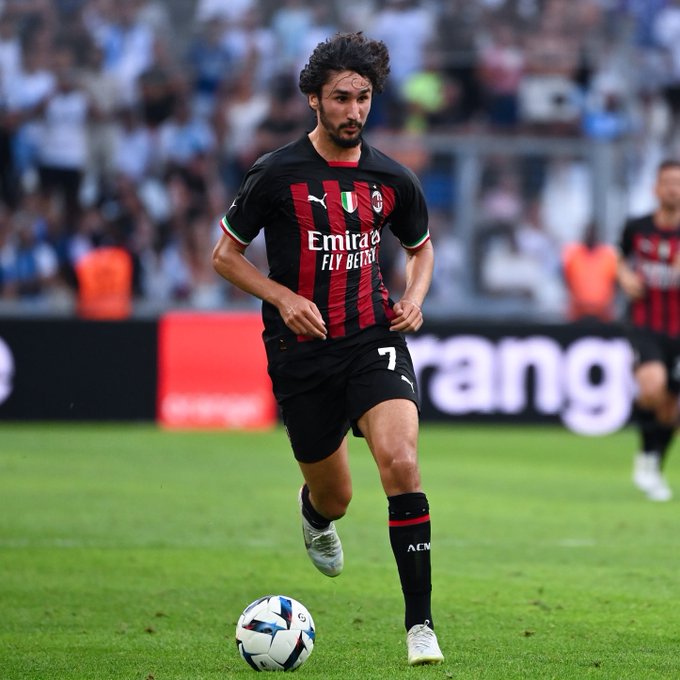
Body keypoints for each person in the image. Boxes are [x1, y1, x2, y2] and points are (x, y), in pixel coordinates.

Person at [212, 32, 443, 666]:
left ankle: (420, 626)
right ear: (314, 99)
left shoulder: (392, 177)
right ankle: (316, 515)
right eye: (341, 97)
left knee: (401, 463)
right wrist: (282, 297)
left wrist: (415, 296)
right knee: (336, 496)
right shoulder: (276, 173)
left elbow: (421, 247)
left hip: (373, 339)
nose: (354, 110)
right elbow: (225, 256)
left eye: (363, 98)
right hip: (302, 351)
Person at [617, 159, 680, 502]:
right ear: (656, 188)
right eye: (668, 182)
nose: (673, 189)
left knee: (671, 409)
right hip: (646, 324)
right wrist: (625, 277)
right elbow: (617, 257)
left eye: (678, 183)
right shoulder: (637, 227)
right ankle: (646, 459)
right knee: (653, 385)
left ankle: (652, 461)